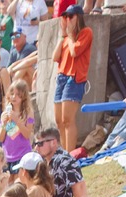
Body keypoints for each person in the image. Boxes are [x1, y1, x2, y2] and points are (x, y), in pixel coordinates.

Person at [52, 4, 93, 147]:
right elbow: (55, 57)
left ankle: (69, 155)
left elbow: (75, 51)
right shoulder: (66, 37)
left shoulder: (86, 32)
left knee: (67, 119)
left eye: (70, 16)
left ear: (79, 17)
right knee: (59, 121)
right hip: (61, 77)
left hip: (74, 78)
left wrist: (69, 35)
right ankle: (64, 152)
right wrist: (62, 35)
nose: (67, 20)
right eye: (65, 16)